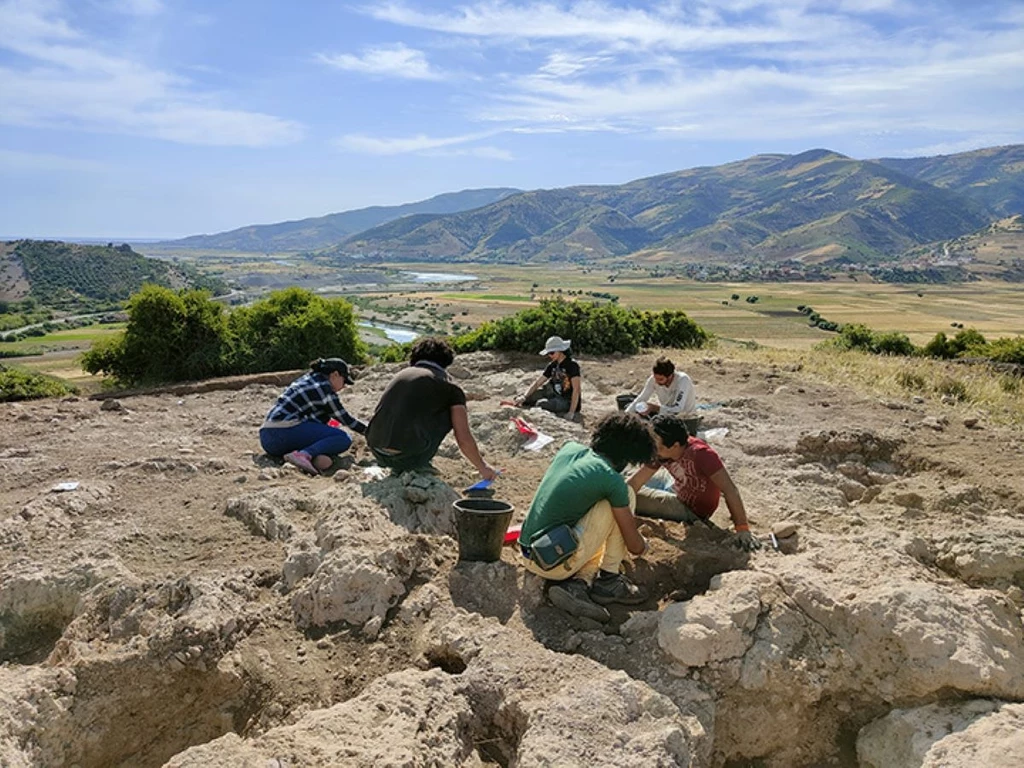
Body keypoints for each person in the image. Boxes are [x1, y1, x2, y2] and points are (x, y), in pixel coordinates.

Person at [518, 411, 656, 622]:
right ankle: (609, 580)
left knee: (603, 508)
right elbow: (635, 546)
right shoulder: (612, 481)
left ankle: (578, 585)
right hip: (552, 562)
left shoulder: (570, 449)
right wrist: (643, 545)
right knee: (623, 497)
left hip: (531, 552)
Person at [366, 337, 498, 479]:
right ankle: (417, 465)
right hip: (408, 457)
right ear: (446, 362)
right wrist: (482, 466)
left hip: (377, 450)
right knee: (453, 409)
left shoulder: (400, 375)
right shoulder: (449, 388)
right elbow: (463, 437)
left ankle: (403, 460)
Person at [632, 415, 761, 552]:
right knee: (624, 483)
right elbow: (637, 480)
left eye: (656, 444)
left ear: (675, 445)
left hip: (690, 509)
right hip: (678, 485)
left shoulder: (702, 454)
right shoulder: (662, 452)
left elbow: (730, 489)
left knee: (633, 497)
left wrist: (742, 528)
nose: (653, 448)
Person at [259, 357, 365, 475]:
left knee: (326, 449)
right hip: (284, 431)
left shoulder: (308, 380)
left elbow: (316, 419)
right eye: (344, 381)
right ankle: (304, 454)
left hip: (268, 439)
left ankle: (306, 457)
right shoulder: (323, 388)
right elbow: (344, 418)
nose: (344, 386)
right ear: (335, 374)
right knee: (343, 438)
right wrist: (369, 431)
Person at [514, 335, 582, 420]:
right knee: (524, 398)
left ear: (560, 350)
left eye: (552, 352)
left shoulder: (572, 365)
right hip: (552, 393)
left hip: (566, 400)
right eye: (548, 353)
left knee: (541, 404)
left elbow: (576, 389)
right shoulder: (553, 365)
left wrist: (571, 412)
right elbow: (538, 382)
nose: (550, 355)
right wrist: (524, 396)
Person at [626, 357, 697, 433]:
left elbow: (678, 409)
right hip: (666, 415)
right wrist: (626, 415)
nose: (657, 382)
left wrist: (655, 408)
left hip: (686, 419)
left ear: (670, 376)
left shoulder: (682, 380)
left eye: (660, 379)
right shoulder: (653, 379)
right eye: (656, 378)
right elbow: (642, 397)